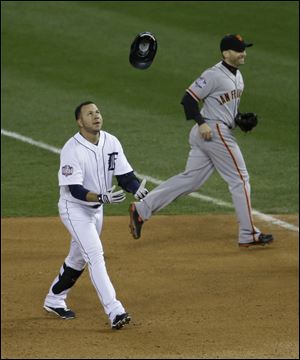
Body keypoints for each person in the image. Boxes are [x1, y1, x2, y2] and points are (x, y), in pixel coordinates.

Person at [129, 34, 274, 248]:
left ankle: (141, 209)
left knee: (192, 180)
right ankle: (248, 233)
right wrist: (200, 122)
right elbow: (188, 99)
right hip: (212, 131)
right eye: (239, 50)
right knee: (240, 179)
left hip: (214, 130)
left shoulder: (238, 76)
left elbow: (226, 109)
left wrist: (239, 120)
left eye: (244, 49)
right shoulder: (213, 75)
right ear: (226, 53)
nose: (244, 53)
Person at [43, 101, 148, 330]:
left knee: (78, 258)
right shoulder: (72, 149)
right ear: (80, 122)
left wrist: (135, 187)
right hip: (74, 209)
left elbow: (125, 175)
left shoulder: (111, 141)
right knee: (95, 254)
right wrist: (101, 197)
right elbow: (75, 190)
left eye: (98, 112)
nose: (96, 116)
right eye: (89, 114)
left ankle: (54, 299)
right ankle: (115, 310)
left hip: (97, 210)